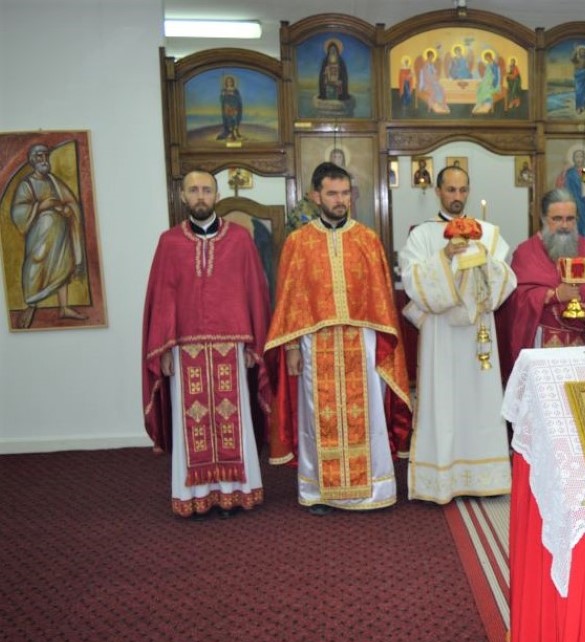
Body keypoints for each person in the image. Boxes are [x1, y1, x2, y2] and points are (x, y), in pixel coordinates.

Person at [265, 163, 412, 514]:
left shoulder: (367, 239)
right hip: (315, 343)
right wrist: (291, 347)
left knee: (368, 414)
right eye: (332, 194)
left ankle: (373, 488)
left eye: (345, 193)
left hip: (362, 341)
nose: (340, 200)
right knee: (318, 417)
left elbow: (381, 300)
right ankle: (321, 491)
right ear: (316, 196)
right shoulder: (299, 242)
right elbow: (289, 300)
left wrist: (381, 347)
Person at [142, 170, 271, 519]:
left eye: (206, 190)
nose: (200, 196)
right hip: (185, 350)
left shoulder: (240, 239)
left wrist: (253, 345)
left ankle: (234, 494)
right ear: (183, 196)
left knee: (234, 420)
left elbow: (254, 292)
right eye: (193, 190)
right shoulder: (169, 242)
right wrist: (163, 349)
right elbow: (162, 298)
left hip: (232, 347)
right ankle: (195, 495)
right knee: (191, 425)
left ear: (217, 195)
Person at [399, 165, 516, 504]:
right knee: (442, 400)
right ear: (438, 191)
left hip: (479, 334)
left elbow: (506, 279)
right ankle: (442, 481)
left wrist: (484, 261)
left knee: (481, 401)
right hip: (441, 335)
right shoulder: (422, 235)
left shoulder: (488, 233)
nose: (457, 196)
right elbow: (412, 279)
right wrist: (444, 257)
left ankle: (484, 477)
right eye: (450, 190)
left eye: (462, 190)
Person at [497, 188, 585, 384]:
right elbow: (516, 298)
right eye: (557, 219)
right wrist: (554, 295)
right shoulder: (526, 253)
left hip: (583, 346)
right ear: (544, 219)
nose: (565, 225)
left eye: (570, 219)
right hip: (542, 345)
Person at [10, 144, 87, 329]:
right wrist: (40, 206)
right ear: (32, 160)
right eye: (39, 156)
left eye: (46, 156)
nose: (44, 160)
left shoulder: (53, 180)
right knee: (36, 265)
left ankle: (64, 307)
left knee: (63, 267)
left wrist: (67, 209)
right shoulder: (27, 184)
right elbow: (18, 211)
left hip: (61, 235)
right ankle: (31, 305)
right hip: (40, 236)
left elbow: (70, 201)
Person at [556, 147, 585, 241]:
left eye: (581, 156)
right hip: (571, 206)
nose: (579, 159)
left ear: (584, 158)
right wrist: (564, 172)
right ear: (573, 158)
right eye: (577, 157)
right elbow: (560, 188)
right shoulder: (569, 172)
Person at [217, 75, 242, 141]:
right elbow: (221, 100)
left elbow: (239, 99)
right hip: (227, 108)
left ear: (233, 82)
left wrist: (233, 95)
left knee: (235, 120)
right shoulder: (224, 90)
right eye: (228, 81)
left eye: (230, 81)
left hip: (234, 107)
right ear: (226, 83)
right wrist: (223, 95)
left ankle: (236, 132)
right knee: (229, 121)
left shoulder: (236, 90)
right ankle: (232, 135)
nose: (229, 83)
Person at [571, 44, 585, 114]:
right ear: (579, 52)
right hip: (579, 76)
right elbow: (572, 58)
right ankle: (578, 107)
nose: (582, 53)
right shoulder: (576, 59)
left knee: (584, 91)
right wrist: (575, 50)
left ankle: (582, 105)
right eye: (581, 51)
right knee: (578, 91)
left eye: (584, 52)